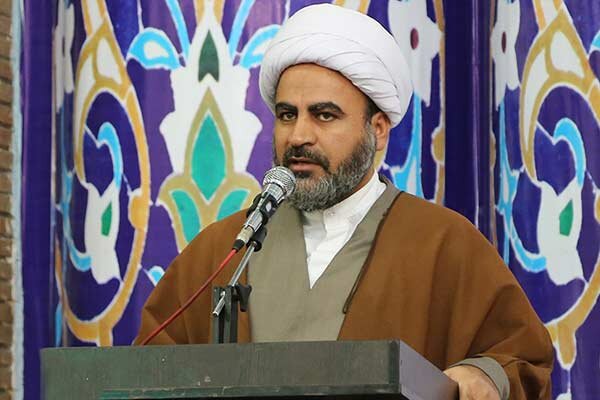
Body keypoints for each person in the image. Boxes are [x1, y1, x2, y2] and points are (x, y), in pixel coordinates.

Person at [135, 4, 553, 399]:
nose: (299, 136)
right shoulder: (224, 251)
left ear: (378, 130)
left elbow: (521, 360)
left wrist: (482, 374)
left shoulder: (444, 244)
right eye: (287, 115)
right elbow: (145, 371)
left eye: (324, 115)